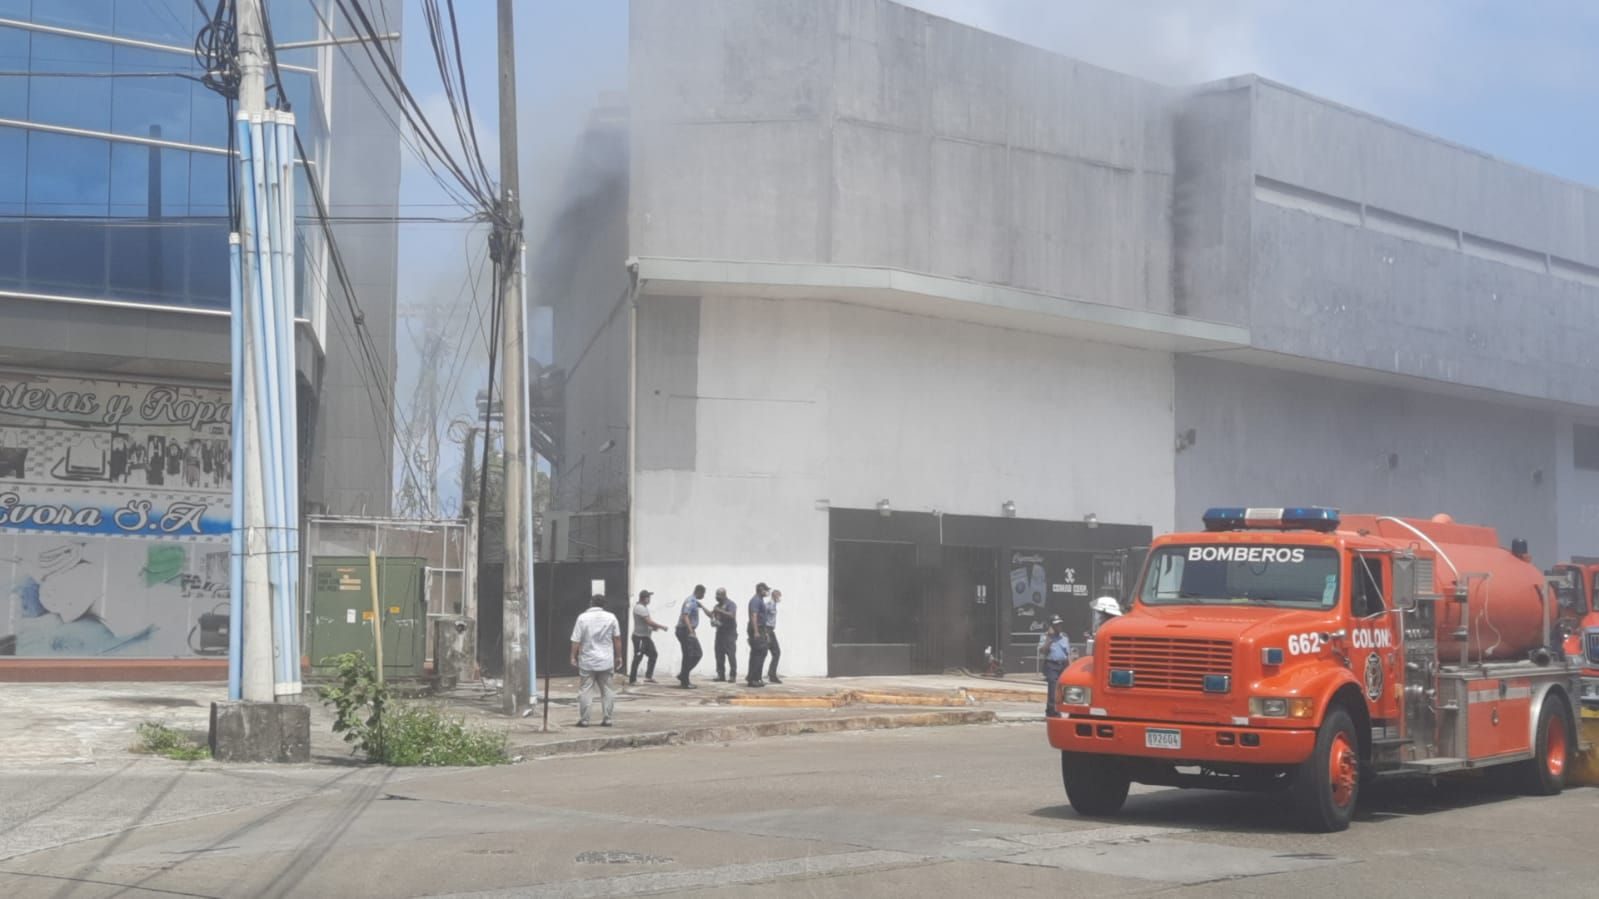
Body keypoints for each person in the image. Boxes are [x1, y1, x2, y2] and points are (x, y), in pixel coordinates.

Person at [569, 594, 624, 727]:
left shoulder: (582, 618)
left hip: (588, 660)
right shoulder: (611, 617)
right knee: (607, 690)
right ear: (604, 604)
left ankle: (585, 720)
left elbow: (576, 640)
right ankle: (607, 718)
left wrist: (572, 656)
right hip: (606, 660)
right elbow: (617, 638)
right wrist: (619, 656)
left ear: (591, 603)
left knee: (586, 690)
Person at [629, 590, 667, 684]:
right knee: (638, 657)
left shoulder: (643, 608)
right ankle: (632, 679)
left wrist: (652, 628)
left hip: (645, 637)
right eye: (648, 598)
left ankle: (648, 676)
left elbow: (645, 623)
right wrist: (661, 627)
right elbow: (648, 621)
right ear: (644, 598)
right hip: (639, 638)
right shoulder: (640, 608)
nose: (649, 599)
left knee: (653, 654)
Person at [1039, 615, 1072, 718]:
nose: (1059, 626)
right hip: (1051, 665)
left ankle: (1054, 710)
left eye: (1060, 624)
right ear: (1051, 626)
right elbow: (1042, 651)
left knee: (1061, 690)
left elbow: (1068, 654)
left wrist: (1070, 667)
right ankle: (1053, 712)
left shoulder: (1064, 637)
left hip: (1063, 665)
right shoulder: (1045, 637)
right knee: (1053, 689)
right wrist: (1049, 639)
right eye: (1056, 625)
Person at [676, 584, 708, 688]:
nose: (704, 596)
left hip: (686, 630)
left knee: (690, 655)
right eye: (703, 594)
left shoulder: (694, 601)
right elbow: (685, 616)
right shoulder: (690, 601)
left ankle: (683, 677)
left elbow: (703, 609)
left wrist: (703, 607)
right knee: (694, 654)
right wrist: (691, 631)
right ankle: (684, 679)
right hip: (685, 631)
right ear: (699, 592)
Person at [710, 587, 739, 682]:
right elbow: (713, 615)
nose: (717, 597)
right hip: (720, 633)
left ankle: (732, 676)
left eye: (719, 595)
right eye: (716, 595)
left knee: (731, 655)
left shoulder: (731, 604)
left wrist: (720, 611)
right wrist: (713, 619)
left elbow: (732, 615)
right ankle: (720, 675)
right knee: (719, 654)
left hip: (729, 633)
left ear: (724, 595)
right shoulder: (717, 605)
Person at [745, 582, 770, 688]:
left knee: (760, 653)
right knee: (758, 654)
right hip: (757, 628)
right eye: (766, 590)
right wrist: (756, 631)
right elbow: (753, 616)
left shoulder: (760, 600)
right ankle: (753, 679)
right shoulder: (755, 600)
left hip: (761, 629)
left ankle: (755, 678)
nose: (767, 592)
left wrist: (766, 632)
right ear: (761, 590)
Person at [762, 588, 783, 684]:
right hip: (767, 630)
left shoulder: (773, 605)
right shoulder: (769, 605)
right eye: (779, 596)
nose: (780, 598)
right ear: (775, 596)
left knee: (776, 653)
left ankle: (772, 674)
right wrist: (765, 632)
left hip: (770, 630)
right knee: (766, 653)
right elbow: (763, 617)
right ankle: (769, 675)